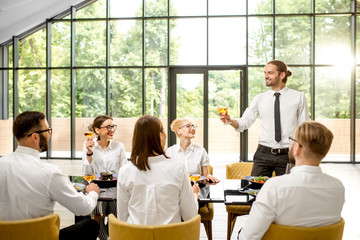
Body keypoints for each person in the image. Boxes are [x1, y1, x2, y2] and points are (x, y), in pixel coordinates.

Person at [0, 111, 100, 240]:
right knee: (90, 225)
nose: (49, 135)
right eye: (48, 130)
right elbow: (83, 208)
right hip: (40, 237)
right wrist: (93, 193)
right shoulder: (50, 173)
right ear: (35, 137)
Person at [238, 121, 345, 240]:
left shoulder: (275, 187)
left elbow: (248, 237)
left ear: (297, 148)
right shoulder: (338, 187)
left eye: (291, 140)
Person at [220, 60, 309, 176]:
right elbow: (245, 122)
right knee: (255, 191)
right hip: (263, 154)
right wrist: (230, 121)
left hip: (288, 154)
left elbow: (305, 127)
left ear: (282, 75)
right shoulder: (260, 98)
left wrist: (302, 154)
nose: (266, 76)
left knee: (287, 192)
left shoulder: (298, 97)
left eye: (270, 73)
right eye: (265, 73)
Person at [116, 115, 199, 225]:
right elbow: (190, 215)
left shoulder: (125, 171)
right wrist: (195, 195)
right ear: (160, 137)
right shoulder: (178, 168)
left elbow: (122, 218)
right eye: (163, 131)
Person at [82, 115, 127, 240]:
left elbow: (124, 170)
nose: (112, 129)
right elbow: (86, 173)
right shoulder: (88, 146)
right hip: (97, 192)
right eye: (108, 127)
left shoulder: (119, 146)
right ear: (97, 130)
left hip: (115, 192)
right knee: (98, 223)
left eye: (113, 126)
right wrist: (89, 152)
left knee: (116, 223)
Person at [167, 118, 219, 183]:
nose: (193, 128)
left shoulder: (201, 151)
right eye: (188, 126)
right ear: (178, 131)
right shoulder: (170, 152)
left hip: (196, 189)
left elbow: (205, 174)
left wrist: (209, 176)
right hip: (176, 190)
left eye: (193, 126)